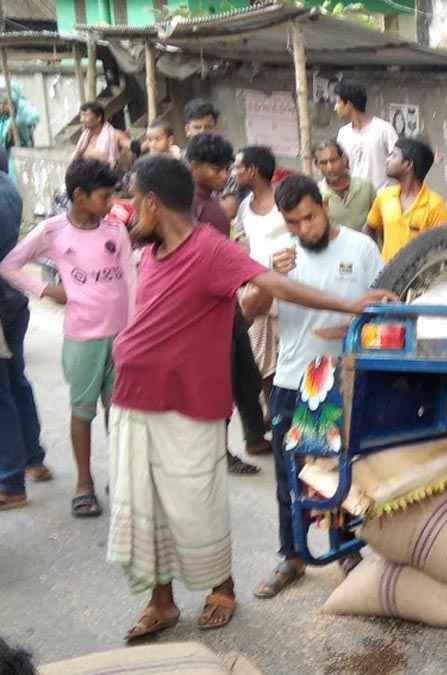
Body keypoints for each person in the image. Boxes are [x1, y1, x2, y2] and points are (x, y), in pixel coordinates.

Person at [107, 154, 394, 640]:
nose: (133, 210)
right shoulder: (150, 251)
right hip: (135, 400)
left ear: (153, 201)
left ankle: (226, 586)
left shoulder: (210, 248)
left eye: (137, 200)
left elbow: (270, 285)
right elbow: (249, 303)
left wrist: (350, 306)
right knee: (145, 505)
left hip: (198, 402)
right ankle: (162, 601)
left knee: (203, 500)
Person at [241, 175, 382, 599]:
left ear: (323, 205)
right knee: (289, 472)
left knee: (341, 469)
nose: (304, 229)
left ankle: (344, 551)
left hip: (346, 376)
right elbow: (248, 310)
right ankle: (293, 556)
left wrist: (350, 325)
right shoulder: (275, 252)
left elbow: (384, 305)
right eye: (294, 222)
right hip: (292, 376)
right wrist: (267, 280)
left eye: (310, 217)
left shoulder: (361, 247)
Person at [0, 159, 133, 518]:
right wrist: (46, 289)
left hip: (120, 337)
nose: (110, 203)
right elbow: (10, 265)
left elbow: (130, 280)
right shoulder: (53, 231)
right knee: (82, 411)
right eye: (104, 196)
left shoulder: (115, 230)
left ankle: (120, 480)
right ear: (79, 195)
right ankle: (84, 483)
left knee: (119, 414)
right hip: (83, 338)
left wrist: (134, 328)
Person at [186, 133, 271, 474]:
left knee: (246, 373)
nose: (226, 175)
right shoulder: (186, 204)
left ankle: (253, 435)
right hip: (205, 307)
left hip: (225, 300)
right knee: (219, 382)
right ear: (195, 167)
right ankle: (217, 453)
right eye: (217, 169)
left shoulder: (209, 201)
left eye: (227, 168)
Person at [0, 146, 50, 511]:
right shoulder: (8, 187)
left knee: (3, 388)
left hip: (3, 301)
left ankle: (10, 480)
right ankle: (33, 457)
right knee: (15, 379)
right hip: (12, 299)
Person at [233, 146, 291, 407]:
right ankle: (273, 408)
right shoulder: (244, 206)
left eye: (238, 167)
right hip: (257, 289)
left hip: (288, 287)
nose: (234, 173)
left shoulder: (284, 200)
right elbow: (244, 240)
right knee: (262, 358)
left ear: (253, 171)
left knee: (288, 353)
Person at [366, 137, 447, 262]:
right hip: (387, 277)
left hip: (419, 279)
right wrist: (375, 260)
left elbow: (442, 250)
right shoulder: (384, 196)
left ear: (408, 164)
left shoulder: (435, 205)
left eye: (393, 155)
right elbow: (370, 227)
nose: (387, 160)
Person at [334, 81, 399, 191]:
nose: (335, 107)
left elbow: (399, 162)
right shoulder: (343, 133)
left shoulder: (384, 129)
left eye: (338, 102)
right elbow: (343, 168)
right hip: (355, 200)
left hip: (381, 199)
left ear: (349, 104)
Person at [315, 140, 376, 235]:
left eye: (333, 160)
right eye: (323, 163)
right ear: (317, 165)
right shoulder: (316, 194)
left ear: (343, 159)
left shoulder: (366, 187)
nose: (330, 167)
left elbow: (379, 222)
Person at [72, 101, 130, 168]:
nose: (82, 120)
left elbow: (134, 148)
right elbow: (75, 159)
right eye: (81, 115)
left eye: (86, 115)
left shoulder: (116, 134)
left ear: (99, 118)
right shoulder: (85, 138)